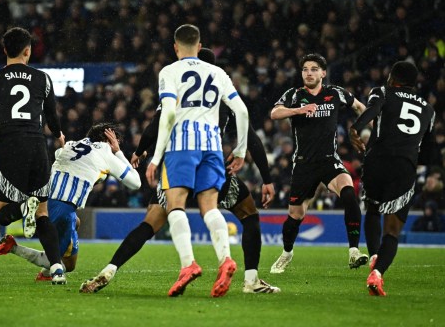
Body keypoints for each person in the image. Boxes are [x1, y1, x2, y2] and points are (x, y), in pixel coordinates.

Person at [80, 48, 280, 294]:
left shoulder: (175, 92)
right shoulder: (220, 96)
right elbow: (252, 139)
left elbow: (155, 126)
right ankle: (251, 281)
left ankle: (109, 270)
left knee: (150, 224)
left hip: (177, 166)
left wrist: (141, 152)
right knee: (249, 215)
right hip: (212, 164)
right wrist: (266, 178)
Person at [145, 24, 250, 298]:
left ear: (176, 47)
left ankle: (188, 265)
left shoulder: (169, 71)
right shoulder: (218, 72)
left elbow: (167, 114)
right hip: (212, 146)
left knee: (175, 206)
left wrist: (155, 157)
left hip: (182, 145)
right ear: (200, 44)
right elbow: (241, 110)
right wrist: (240, 151)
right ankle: (225, 259)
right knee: (210, 208)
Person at [0, 123, 140, 280]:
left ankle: (44, 270)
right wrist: (118, 153)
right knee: (60, 262)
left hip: (44, 200)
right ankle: (14, 248)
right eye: (116, 141)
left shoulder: (71, 144)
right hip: (62, 207)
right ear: (108, 140)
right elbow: (135, 183)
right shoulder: (106, 152)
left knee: (75, 227)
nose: (116, 145)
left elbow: (59, 153)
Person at [0, 26, 67, 284]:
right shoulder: (42, 78)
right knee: (42, 212)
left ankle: (21, 207)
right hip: (39, 146)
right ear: (28, 51)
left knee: (1, 210)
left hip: (12, 144)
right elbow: (52, 117)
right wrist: (59, 135)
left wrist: (6, 138)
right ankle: (57, 268)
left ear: (5, 49)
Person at [269, 53, 368, 274]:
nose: (309, 73)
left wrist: (358, 129)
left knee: (350, 195)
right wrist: (298, 110)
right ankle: (287, 253)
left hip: (329, 161)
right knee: (296, 214)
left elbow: (361, 108)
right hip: (304, 164)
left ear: (323, 73)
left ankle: (353, 251)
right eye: (305, 69)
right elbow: (275, 113)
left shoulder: (335, 93)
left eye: (314, 69)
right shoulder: (294, 95)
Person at [350, 61, 436, 296]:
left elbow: (373, 110)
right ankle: (377, 274)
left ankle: (375, 254)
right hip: (404, 167)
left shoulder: (382, 92)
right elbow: (429, 152)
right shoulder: (428, 109)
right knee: (392, 230)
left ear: (392, 78)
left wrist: (355, 128)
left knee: (372, 209)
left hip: (377, 161)